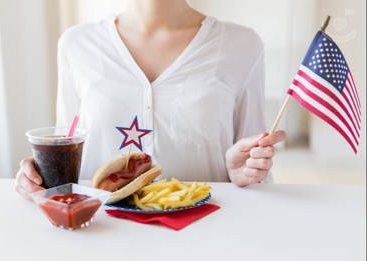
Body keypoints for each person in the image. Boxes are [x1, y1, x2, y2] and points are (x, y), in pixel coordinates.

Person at [15, 0, 286, 199]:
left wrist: (245, 174)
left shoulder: (241, 44)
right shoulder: (77, 44)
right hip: (103, 232)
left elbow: (254, 161)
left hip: (206, 230)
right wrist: (40, 178)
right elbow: (67, 142)